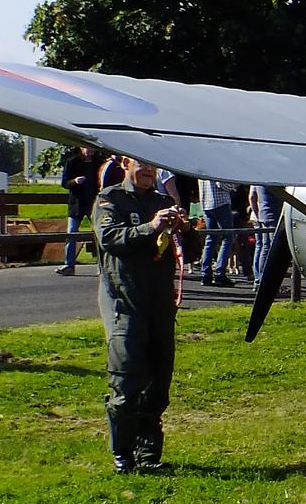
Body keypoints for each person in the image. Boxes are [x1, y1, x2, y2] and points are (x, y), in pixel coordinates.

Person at [93, 156, 187, 473]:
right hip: (125, 301)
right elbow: (110, 239)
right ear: (125, 164)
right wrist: (151, 226)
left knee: (159, 382)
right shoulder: (109, 198)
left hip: (159, 302)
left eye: (153, 166)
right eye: (141, 164)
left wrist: (185, 229)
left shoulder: (164, 200)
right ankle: (123, 454)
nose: (148, 171)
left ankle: (150, 455)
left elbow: (188, 250)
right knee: (126, 378)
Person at [56, 145, 101, 275]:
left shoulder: (99, 163)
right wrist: (75, 181)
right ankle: (69, 265)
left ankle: (101, 266)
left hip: (94, 204)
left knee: (99, 234)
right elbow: (64, 182)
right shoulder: (72, 162)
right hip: (77, 204)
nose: (90, 150)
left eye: (92, 148)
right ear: (81, 148)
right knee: (71, 233)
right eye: (87, 148)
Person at [198, 176, 238, 286]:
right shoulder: (216, 163)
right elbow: (221, 184)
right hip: (220, 203)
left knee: (210, 238)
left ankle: (205, 274)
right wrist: (234, 185)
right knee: (228, 237)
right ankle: (220, 273)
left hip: (205, 203)